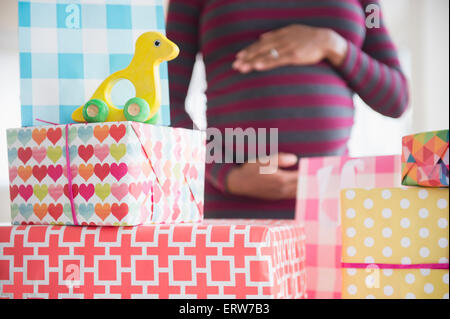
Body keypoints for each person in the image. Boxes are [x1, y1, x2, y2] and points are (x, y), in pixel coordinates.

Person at [166, 0, 409, 219]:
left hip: (331, 204)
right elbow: (165, 103)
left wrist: (333, 45)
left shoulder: (369, 9)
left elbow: (397, 98)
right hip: (230, 206)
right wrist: (226, 174)